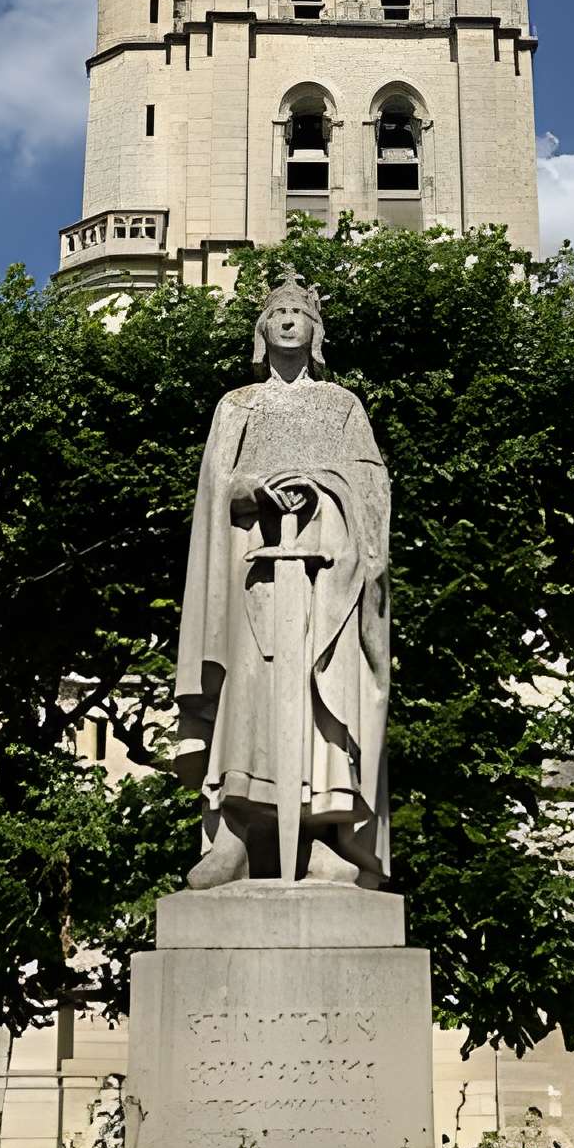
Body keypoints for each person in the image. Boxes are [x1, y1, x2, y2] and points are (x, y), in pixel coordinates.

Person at [171, 272, 391, 887]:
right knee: (251, 701)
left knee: (325, 703)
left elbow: (373, 489)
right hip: (253, 581)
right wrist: (252, 489)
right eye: (278, 312)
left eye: (300, 312)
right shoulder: (238, 404)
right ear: (262, 330)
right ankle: (234, 837)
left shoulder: (342, 405)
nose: (289, 320)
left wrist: (324, 493)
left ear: (316, 331)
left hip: (329, 587)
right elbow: (217, 489)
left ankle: (327, 836)